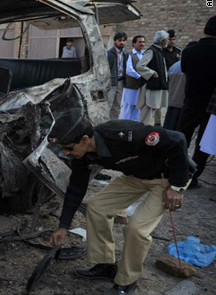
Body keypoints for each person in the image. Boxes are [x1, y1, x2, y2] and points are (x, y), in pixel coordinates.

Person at [48, 109, 190, 295]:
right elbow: (76, 189)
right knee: (97, 208)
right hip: (135, 176)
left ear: (84, 139)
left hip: (166, 179)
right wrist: (63, 226)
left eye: (68, 148)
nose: (66, 153)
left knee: (137, 229)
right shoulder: (82, 156)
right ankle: (106, 265)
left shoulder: (122, 134)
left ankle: (127, 283)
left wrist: (177, 187)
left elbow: (177, 139)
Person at [177, 15, 216, 188]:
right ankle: (193, 176)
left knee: (182, 136)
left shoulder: (190, 50)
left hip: (191, 99)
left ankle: (176, 171)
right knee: (204, 142)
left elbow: (184, 69)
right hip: (211, 105)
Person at [135, 31, 169, 126]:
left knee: (154, 108)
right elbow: (140, 66)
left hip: (157, 86)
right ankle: (142, 130)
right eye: (166, 39)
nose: (167, 41)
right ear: (161, 40)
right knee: (148, 110)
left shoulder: (159, 51)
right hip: (150, 86)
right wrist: (151, 72)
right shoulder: (151, 51)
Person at [119, 35, 146, 121]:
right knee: (128, 106)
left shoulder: (145, 55)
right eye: (140, 42)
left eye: (143, 42)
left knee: (138, 106)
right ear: (134, 44)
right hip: (131, 86)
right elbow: (129, 70)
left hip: (142, 86)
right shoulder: (130, 55)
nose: (142, 44)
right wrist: (140, 77)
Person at [107, 32, 127, 119]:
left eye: (123, 40)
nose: (122, 42)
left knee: (117, 105)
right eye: (120, 40)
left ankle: (113, 123)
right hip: (111, 82)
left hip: (121, 81)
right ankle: (104, 123)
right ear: (115, 41)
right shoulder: (109, 53)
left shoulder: (126, 53)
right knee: (108, 104)